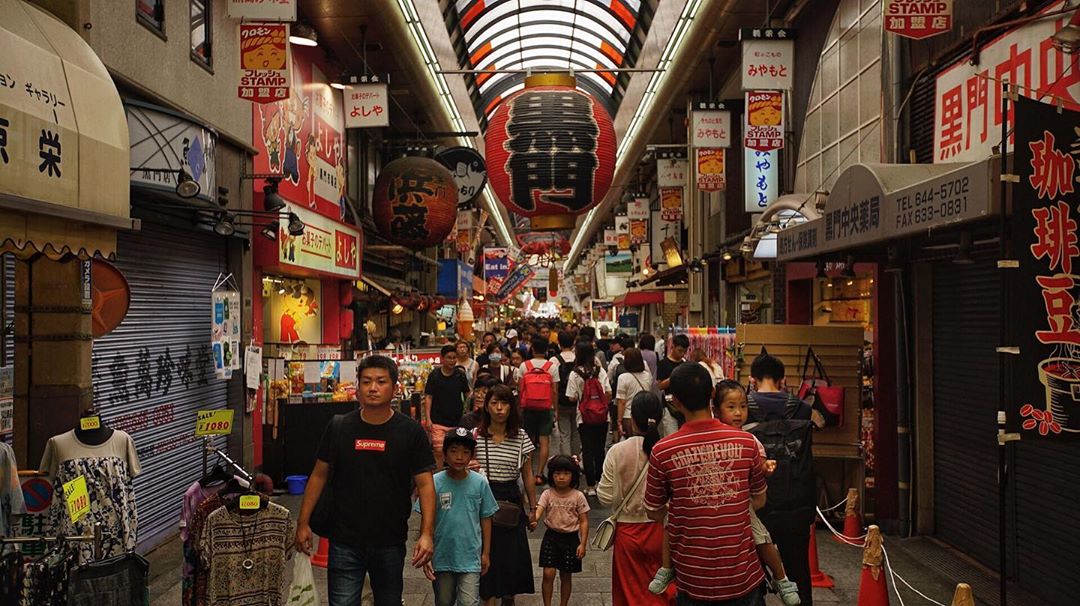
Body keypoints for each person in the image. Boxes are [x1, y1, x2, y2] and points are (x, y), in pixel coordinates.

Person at [295, 355, 436, 606]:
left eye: (381, 382)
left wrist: (426, 533)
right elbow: (318, 475)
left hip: (390, 539)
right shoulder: (340, 427)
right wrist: (303, 523)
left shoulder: (410, 432)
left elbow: (425, 484)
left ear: (395, 388)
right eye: (367, 381)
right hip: (344, 539)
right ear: (357, 387)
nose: (373, 388)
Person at [650, 380, 801, 605]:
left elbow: (653, 510)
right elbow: (760, 495)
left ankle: (782, 579)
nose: (738, 413)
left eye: (742, 406)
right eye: (731, 407)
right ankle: (666, 568)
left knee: (760, 536)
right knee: (672, 522)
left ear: (677, 402)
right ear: (714, 403)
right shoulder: (746, 440)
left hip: (695, 576)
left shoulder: (663, 450)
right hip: (743, 578)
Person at [746, 354, 817, 606]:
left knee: (751, 575)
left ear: (752, 379)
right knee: (798, 569)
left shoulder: (742, 409)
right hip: (796, 504)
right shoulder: (803, 409)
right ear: (783, 379)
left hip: (756, 505)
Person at [598, 392, 675, 606]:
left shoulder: (617, 451)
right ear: (660, 418)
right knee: (663, 592)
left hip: (627, 533)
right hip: (662, 531)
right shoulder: (668, 450)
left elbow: (604, 496)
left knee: (630, 594)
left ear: (632, 418)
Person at [418, 427, 500, 606]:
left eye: (465, 452)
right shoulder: (435, 483)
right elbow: (427, 519)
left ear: (471, 455)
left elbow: (486, 517)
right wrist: (426, 553)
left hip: (470, 555)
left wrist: (485, 553)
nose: (459, 457)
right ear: (445, 454)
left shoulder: (479, 483)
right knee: (444, 600)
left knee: (469, 602)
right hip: (442, 555)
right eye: (453, 451)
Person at [473, 385, 537, 605]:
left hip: (510, 499)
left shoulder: (520, 436)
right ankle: (488, 596)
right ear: (486, 406)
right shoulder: (476, 436)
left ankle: (508, 597)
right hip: (483, 498)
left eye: (504, 403)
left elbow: (527, 474)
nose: (499, 409)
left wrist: (533, 508)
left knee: (511, 559)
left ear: (512, 407)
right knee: (486, 555)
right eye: (494, 403)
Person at [533, 455, 590, 606]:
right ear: (552, 475)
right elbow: (539, 510)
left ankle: (563, 604)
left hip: (571, 538)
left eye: (566, 473)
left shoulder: (578, 496)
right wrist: (534, 519)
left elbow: (584, 521)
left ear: (573, 475)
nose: (561, 477)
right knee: (548, 573)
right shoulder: (547, 494)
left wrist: (583, 544)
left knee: (566, 575)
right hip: (551, 537)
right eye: (557, 473)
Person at [564, 340, 611, 496]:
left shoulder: (575, 373)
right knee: (600, 450)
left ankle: (590, 486)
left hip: (584, 417)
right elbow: (608, 392)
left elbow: (571, 397)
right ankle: (600, 482)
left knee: (588, 450)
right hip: (603, 417)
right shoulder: (600, 371)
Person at [515, 336, 560, 485]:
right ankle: (539, 474)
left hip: (528, 407)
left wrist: (520, 407)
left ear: (532, 349)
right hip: (546, 408)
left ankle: (527, 472)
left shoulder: (524, 366)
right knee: (544, 441)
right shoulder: (551, 367)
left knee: (528, 440)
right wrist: (555, 410)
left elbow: (520, 389)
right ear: (546, 350)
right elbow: (554, 391)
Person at [424, 345, 472, 469]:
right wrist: (428, 418)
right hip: (438, 420)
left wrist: (468, 410)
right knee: (439, 450)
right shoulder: (434, 375)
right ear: (443, 358)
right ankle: (439, 475)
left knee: (456, 451)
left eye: (454, 358)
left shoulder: (459, 375)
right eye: (449, 358)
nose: (452, 360)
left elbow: (467, 394)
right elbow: (428, 397)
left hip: (457, 420)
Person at [552, 331, 581, 460]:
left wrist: (554, 408)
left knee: (564, 433)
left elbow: (554, 386)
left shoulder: (554, 360)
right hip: (577, 401)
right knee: (576, 432)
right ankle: (576, 459)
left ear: (559, 342)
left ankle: (567, 461)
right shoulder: (578, 359)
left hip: (561, 401)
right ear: (573, 343)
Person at [614, 348, 654, 441]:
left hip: (628, 416)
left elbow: (622, 402)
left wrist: (619, 421)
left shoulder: (623, 378)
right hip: (645, 414)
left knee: (630, 444)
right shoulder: (647, 375)